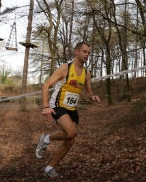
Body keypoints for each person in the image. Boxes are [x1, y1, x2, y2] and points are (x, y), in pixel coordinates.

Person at [35, 42, 100, 178]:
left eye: (88, 52)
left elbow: (88, 92)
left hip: (72, 109)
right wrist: (45, 106)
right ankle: (47, 138)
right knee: (71, 132)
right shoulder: (65, 68)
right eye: (84, 51)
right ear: (76, 52)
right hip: (57, 105)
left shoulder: (87, 74)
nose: (87, 54)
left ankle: (49, 168)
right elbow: (46, 85)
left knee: (70, 139)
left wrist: (92, 96)